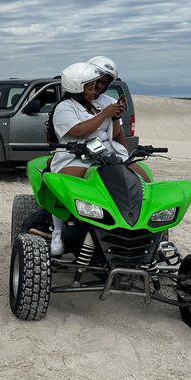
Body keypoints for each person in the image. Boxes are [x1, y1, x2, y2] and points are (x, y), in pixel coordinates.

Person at [47, 62, 147, 256]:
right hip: (75, 154)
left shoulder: (98, 104)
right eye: (91, 87)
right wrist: (105, 114)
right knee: (65, 187)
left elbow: (114, 133)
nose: (96, 91)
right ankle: (58, 230)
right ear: (77, 87)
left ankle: (134, 226)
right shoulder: (64, 108)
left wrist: (116, 117)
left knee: (143, 181)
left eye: (97, 86)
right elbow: (78, 131)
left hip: (105, 153)